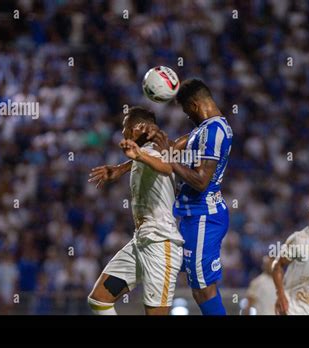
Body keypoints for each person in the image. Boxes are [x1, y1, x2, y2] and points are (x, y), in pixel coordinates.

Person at [90, 79, 233, 315]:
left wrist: (165, 152)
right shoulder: (202, 130)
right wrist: (121, 168)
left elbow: (199, 180)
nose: (186, 115)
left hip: (203, 216)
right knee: (198, 288)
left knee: (202, 289)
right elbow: (164, 152)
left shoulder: (215, 130)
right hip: (181, 220)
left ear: (195, 105)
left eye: (187, 110)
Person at [87, 107, 184, 315]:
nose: (123, 133)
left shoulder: (159, 147)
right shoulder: (145, 152)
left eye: (126, 127)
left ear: (140, 127)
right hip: (140, 242)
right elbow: (141, 159)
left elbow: (166, 167)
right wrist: (120, 169)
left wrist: (138, 154)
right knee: (99, 300)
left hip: (161, 244)